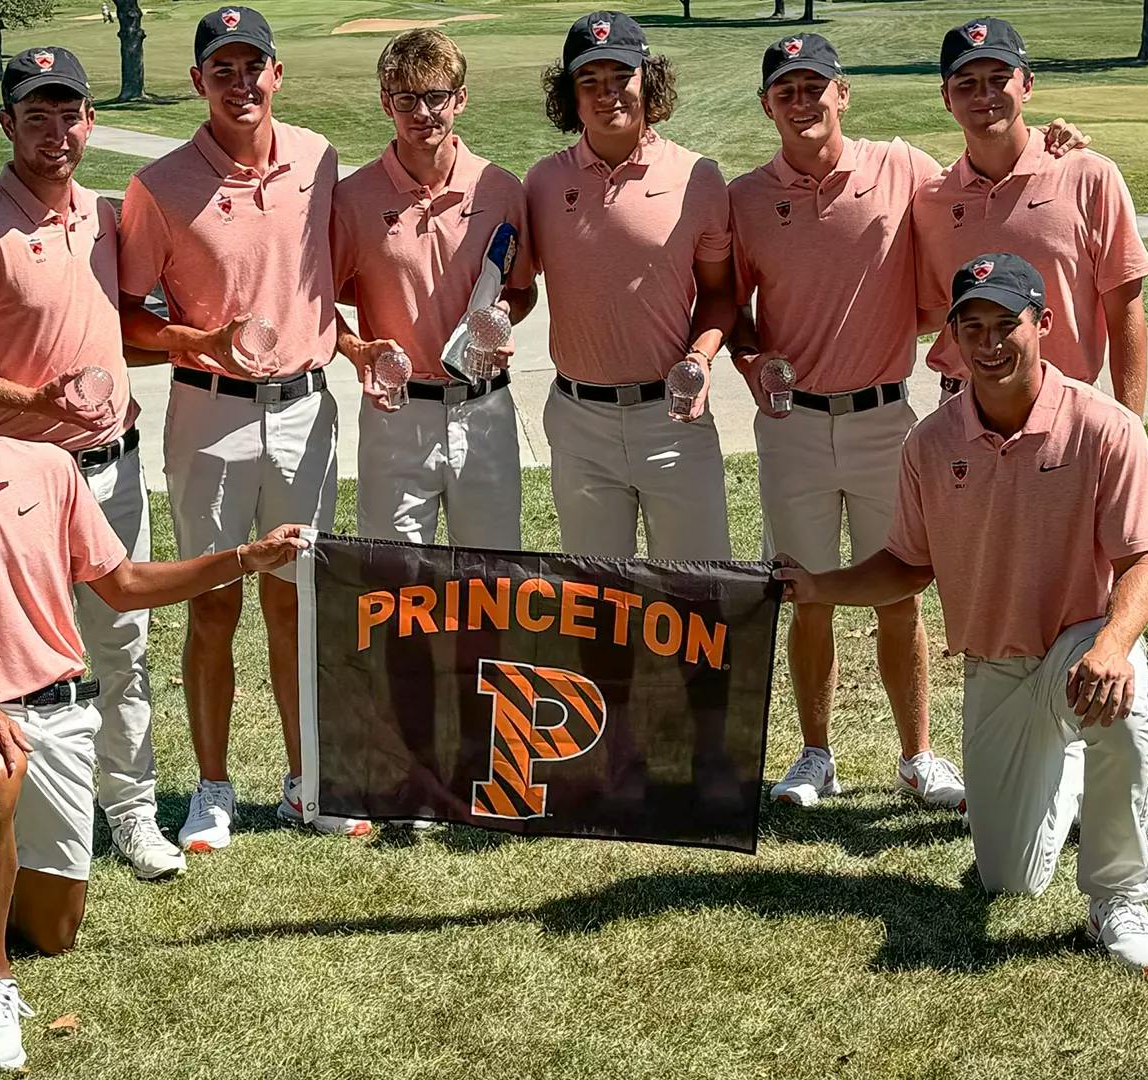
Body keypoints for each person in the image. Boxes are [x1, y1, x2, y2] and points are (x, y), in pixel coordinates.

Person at [0, 297, 310, 1070]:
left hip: (56, 716)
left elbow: (122, 585)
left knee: (56, 930)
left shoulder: (50, 470)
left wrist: (242, 559)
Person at [774, 254, 1148, 979]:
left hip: (1080, 643)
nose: (988, 344)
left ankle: (1118, 901)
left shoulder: (1105, 427)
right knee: (1008, 880)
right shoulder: (930, 443)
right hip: (996, 665)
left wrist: (1115, 644)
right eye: (971, 328)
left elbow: (1142, 563)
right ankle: (1068, 771)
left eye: (1004, 325)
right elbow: (908, 565)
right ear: (952, 338)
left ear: (1042, 324)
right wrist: (818, 587)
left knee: (1122, 702)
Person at [0, 46, 184, 884]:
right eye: (36, 117)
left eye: (69, 115)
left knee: (122, 648)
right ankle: (13, 823)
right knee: (17, 665)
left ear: (91, 123)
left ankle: (132, 812)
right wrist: (37, 400)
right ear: (7, 124)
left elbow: (129, 325)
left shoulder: (104, 217)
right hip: (16, 484)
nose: (55, 133)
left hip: (113, 472)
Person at [116, 5, 369, 849]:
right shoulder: (158, 186)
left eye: (252, 66)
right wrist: (201, 340)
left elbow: (322, 282)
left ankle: (305, 785)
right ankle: (213, 789)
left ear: (277, 74)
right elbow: (129, 316)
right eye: (221, 70)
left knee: (296, 602)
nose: (240, 83)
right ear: (198, 81)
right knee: (213, 602)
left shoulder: (318, 160)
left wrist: (357, 345)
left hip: (304, 410)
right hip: (210, 414)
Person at [726, 32, 962, 812]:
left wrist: (1058, 151)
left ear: (843, 93)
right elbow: (731, 308)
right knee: (806, 592)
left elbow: (977, 196)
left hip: (884, 418)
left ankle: (917, 757)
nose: (803, 102)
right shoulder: (746, 199)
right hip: (791, 423)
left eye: (815, 87)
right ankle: (815, 755)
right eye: (786, 92)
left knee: (899, 592)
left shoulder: (902, 167)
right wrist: (749, 360)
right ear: (767, 105)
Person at [525, 10, 736, 561]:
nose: (607, 93)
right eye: (589, 80)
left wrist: (700, 357)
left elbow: (720, 294)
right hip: (579, 421)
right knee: (595, 594)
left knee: (697, 587)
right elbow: (518, 286)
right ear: (570, 94)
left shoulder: (697, 177)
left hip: (674, 415)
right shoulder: (543, 183)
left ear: (649, 80)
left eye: (622, 76)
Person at [331, 28, 537, 548]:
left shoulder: (500, 188)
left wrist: (501, 320)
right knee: (394, 577)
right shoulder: (352, 198)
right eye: (406, 99)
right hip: (396, 412)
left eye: (436, 97)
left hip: (484, 406)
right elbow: (312, 300)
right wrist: (356, 349)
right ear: (386, 103)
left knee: (491, 573)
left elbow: (521, 289)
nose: (422, 113)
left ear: (460, 99)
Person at [912, 18, 1148, 414]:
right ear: (946, 97)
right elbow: (931, 312)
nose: (983, 95)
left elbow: (1125, 308)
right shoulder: (931, 201)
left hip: (1066, 404)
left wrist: (1129, 423)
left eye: (998, 79)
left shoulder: (1089, 177)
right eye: (966, 83)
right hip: (961, 407)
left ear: (1026, 85)